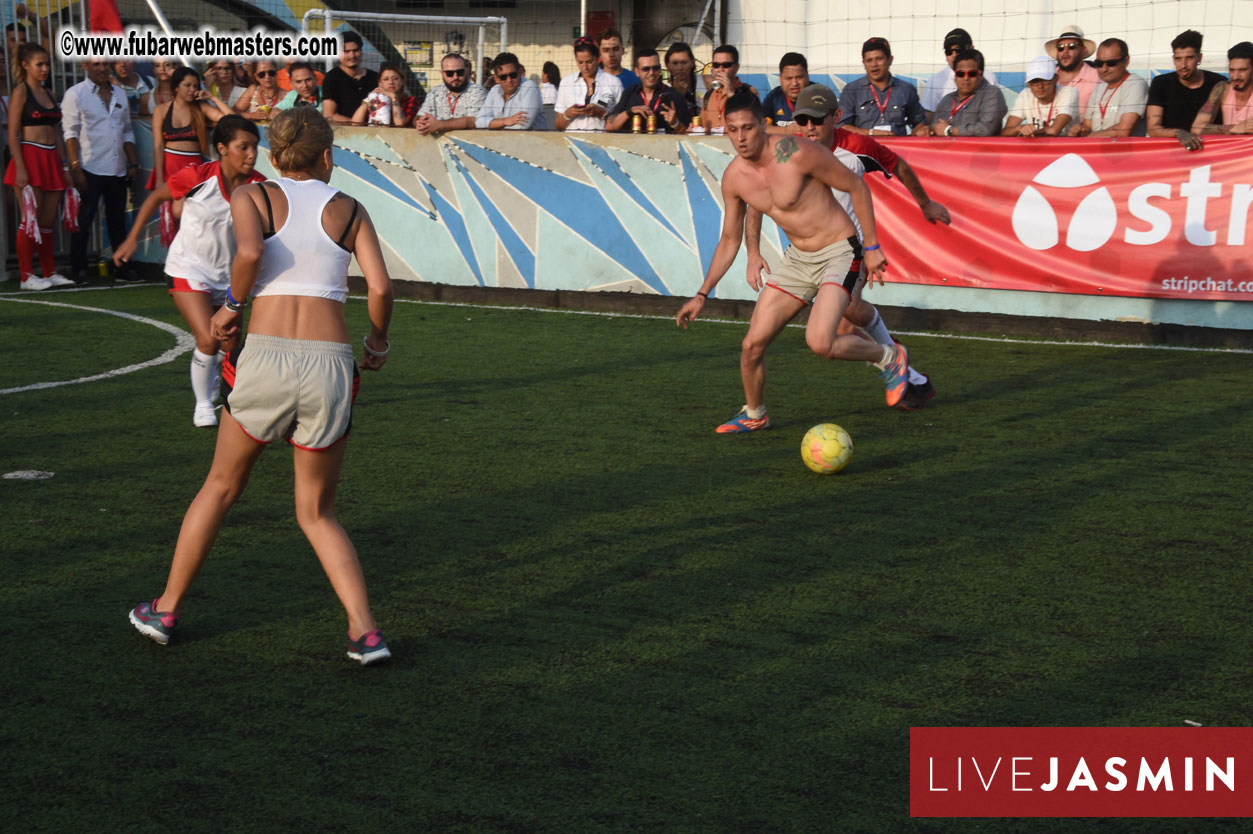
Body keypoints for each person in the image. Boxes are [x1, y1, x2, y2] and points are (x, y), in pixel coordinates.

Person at [127, 107, 395, 666]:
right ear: (328, 156)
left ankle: (166, 610)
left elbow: (249, 253)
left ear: (274, 155)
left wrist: (230, 307)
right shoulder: (350, 208)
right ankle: (366, 632)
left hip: (267, 357)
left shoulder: (253, 195)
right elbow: (380, 288)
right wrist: (377, 343)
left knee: (221, 488)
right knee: (317, 512)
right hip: (330, 362)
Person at [674, 91, 910, 433]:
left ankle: (890, 357)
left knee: (821, 341)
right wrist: (702, 294)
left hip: (840, 252)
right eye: (733, 130)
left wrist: (872, 247)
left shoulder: (795, 152)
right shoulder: (734, 178)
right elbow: (729, 240)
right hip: (798, 261)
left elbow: (857, 188)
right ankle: (755, 414)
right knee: (751, 346)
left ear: (763, 125)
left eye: (748, 128)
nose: (741, 138)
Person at [753, 84, 944, 410]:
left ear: (836, 117)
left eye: (817, 120)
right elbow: (759, 187)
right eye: (802, 120)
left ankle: (901, 370)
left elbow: (897, 164)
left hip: (848, 250)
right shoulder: (787, 149)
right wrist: (753, 248)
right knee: (850, 319)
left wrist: (924, 204)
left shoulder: (856, 147)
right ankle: (909, 376)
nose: (809, 127)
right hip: (808, 255)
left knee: (842, 322)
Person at [113, 116, 266, 427]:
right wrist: (131, 239)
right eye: (243, 147)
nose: (252, 154)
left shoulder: (259, 186)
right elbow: (157, 197)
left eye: (255, 147)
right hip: (188, 267)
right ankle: (203, 405)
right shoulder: (198, 176)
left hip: (229, 277)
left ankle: (216, 382)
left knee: (230, 345)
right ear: (222, 148)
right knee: (208, 339)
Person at [62, 58, 141, 284]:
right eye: (96, 64)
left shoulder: (119, 93)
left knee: (117, 220)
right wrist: (75, 167)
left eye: (106, 64)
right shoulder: (75, 94)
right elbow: (70, 133)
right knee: (84, 220)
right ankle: (79, 269)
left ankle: (122, 267)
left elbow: (127, 131)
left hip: (117, 167)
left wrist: (133, 163)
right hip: (89, 166)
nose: (102, 68)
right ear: (85, 66)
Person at [4, 42, 73, 290]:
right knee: (29, 219)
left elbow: (57, 132)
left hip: (51, 159)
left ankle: (49, 272)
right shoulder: (21, 92)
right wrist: (21, 169)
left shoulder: (50, 93)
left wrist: (65, 167)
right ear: (25, 65)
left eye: (46, 64)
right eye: (39, 64)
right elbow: (13, 134)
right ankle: (26, 276)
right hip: (29, 157)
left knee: (47, 220)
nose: (45, 69)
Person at [149, 66, 230, 193]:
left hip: (193, 168)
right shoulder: (161, 110)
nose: (192, 89)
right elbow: (158, 146)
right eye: (187, 85)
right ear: (176, 87)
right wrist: (159, 178)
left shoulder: (201, 107)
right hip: (169, 167)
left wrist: (211, 97)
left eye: (195, 86)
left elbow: (230, 119)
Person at [1147, 30, 1225, 150]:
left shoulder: (1218, 83)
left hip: (1212, 151)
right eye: (1178, 59)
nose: (1183, 65)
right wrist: (1179, 133)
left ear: (1199, 58)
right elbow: (1153, 129)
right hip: (1171, 152)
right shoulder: (1161, 83)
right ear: (1173, 59)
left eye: (1189, 58)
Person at [839, 37, 929, 136]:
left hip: (897, 145)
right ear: (863, 63)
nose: (874, 64)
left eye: (879, 59)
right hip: (864, 145)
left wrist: (919, 131)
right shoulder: (851, 90)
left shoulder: (906, 89)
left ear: (890, 60)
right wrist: (871, 133)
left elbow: (920, 122)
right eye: (869, 60)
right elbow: (841, 126)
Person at [1073, 38, 1148, 137]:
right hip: (1098, 145)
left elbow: (1124, 130)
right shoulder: (1099, 88)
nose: (1104, 69)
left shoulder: (1135, 84)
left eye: (1111, 63)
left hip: (1123, 147)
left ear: (1126, 61)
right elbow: (1087, 125)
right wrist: (1079, 130)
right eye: (1099, 63)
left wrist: (1090, 137)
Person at [921, 29, 1000, 120]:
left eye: (958, 50)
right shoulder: (935, 81)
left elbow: (995, 114)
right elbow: (929, 115)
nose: (954, 55)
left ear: (972, 49)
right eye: (949, 51)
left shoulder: (988, 76)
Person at [606, 49, 690, 133]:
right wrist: (629, 112)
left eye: (655, 68)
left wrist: (675, 124)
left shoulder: (674, 96)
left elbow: (689, 134)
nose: (651, 73)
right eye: (646, 69)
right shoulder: (630, 93)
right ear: (637, 71)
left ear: (660, 69)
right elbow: (609, 126)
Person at [931, 49, 1007, 136]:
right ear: (955, 76)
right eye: (960, 74)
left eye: (972, 74)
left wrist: (949, 130)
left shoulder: (992, 94)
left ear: (981, 74)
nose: (966, 78)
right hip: (948, 145)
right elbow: (935, 128)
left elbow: (985, 129)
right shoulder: (947, 99)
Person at [555, 37, 623, 132]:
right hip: (573, 139)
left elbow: (622, 121)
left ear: (598, 58)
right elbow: (558, 126)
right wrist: (567, 114)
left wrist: (602, 113)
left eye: (590, 62)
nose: (585, 67)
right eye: (580, 62)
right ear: (575, 59)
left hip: (603, 139)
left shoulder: (614, 83)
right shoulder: (566, 82)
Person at [1002, 56, 1080, 137]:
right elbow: (1005, 132)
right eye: (1035, 81)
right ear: (1028, 83)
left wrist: (1028, 133)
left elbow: (1054, 131)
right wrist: (1018, 128)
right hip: (1039, 144)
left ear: (1055, 79)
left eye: (1045, 80)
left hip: (1064, 144)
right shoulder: (1025, 95)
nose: (1040, 86)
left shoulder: (1069, 92)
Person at [415, 53, 486, 134]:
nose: (455, 77)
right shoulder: (435, 92)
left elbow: (472, 121)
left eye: (460, 72)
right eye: (450, 73)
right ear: (442, 73)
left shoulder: (477, 91)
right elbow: (419, 117)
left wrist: (438, 125)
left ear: (466, 71)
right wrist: (421, 123)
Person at [1191, 42, 1253, 135]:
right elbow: (1196, 128)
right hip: (1230, 144)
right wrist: (1233, 128)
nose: (1235, 76)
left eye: (1242, 70)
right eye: (1231, 70)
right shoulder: (1222, 89)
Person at [473, 52, 542, 130]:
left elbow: (522, 126)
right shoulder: (494, 91)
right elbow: (478, 122)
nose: (509, 80)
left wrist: (493, 125)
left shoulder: (530, 87)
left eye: (513, 75)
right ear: (496, 78)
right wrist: (506, 121)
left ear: (520, 72)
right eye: (503, 77)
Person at [322, 32, 379, 124]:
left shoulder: (374, 77)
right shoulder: (332, 78)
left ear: (361, 51)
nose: (352, 55)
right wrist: (357, 124)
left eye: (355, 50)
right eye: (346, 51)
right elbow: (329, 115)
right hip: (345, 130)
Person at [701, 45, 759, 134]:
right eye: (716, 65)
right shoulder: (708, 96)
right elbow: (703, 127)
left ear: (736, 67)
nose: (720, 69)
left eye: (726, 65)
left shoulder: (749, 92)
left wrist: (731, 94)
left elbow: (751, 125)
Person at [1045, 26, 1101, 116]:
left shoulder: (1097, 78)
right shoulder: (1046, 77)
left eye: (1072, 46)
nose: (1065, 51)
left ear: (1083, 50)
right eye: (1060, 47)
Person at [351, 63, 420, 127]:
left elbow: (399, 123)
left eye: (395, 79)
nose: (391, 82)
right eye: (386, 79)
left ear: (402, 81)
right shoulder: (375, 100)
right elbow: (355, 123)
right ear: (380, 83)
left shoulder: (411, 101)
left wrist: (394, 98)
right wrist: (368, 99)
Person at [761, 52, 810, 127]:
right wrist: (787, 130)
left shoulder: (818, 95)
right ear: (780, 79)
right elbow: (763, 128)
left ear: (807, 76)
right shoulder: (774, 97)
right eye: (789, 78)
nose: (794, 83)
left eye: (799, 77)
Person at [665, 42, 700, 117]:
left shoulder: (706, 81)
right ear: (668, 66)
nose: (680, 68)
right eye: (675, 63)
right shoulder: (665, 91)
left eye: (684, 62)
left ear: (692, 62)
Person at [540, 60, 560, 129]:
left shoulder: (550, 89)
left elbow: (548, 110)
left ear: (547, 75)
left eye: (543, 72)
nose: (542, 75)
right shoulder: (555, 87)